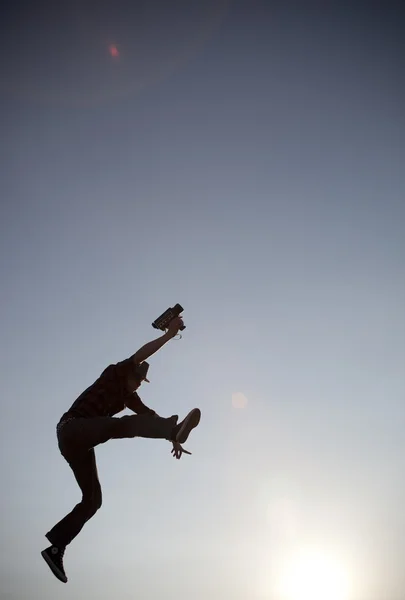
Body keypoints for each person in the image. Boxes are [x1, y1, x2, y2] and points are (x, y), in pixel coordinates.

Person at [41, 316, 200, 583]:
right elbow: (142, 354)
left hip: (79, 445)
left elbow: (149, 417)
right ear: (130, 373)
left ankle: (56, 547)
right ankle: (171, 430)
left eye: (141, 383)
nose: (138, 384)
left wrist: (174, 434)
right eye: (137, 379)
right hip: (71, 428)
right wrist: (169, 335)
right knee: (120, 426)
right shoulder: (114, 372)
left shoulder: (129, 398)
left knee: (94, 500)